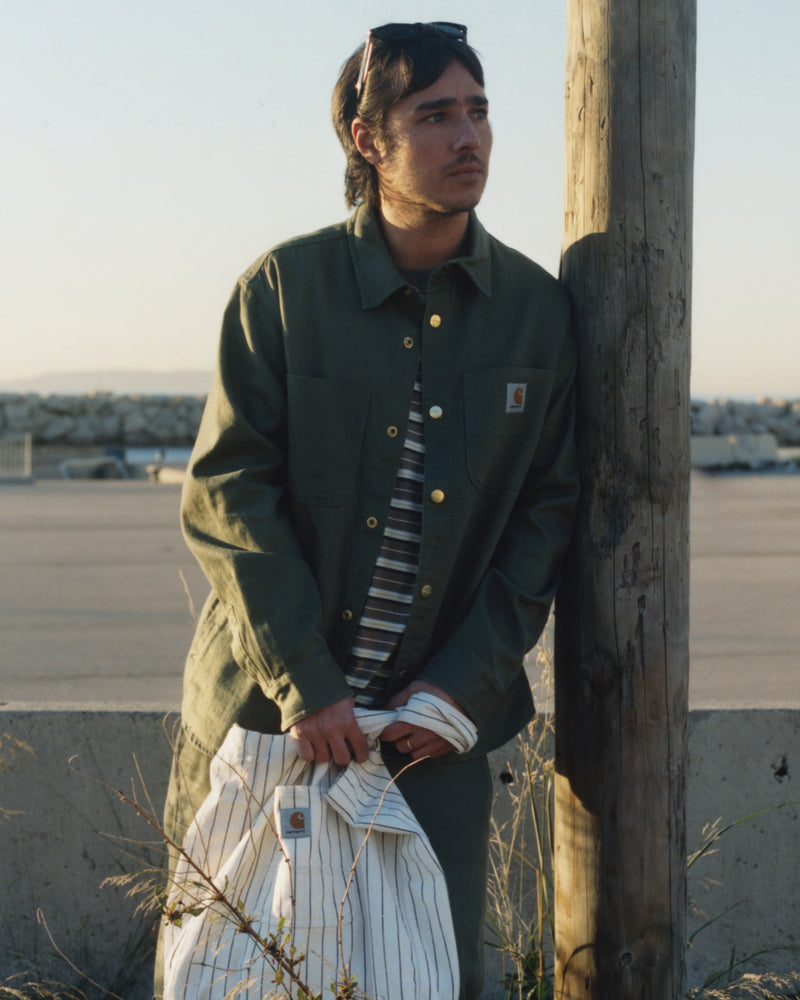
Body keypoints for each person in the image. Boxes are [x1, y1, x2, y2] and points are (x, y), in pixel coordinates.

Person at [160, 21, 578, 1000]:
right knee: (233, 976)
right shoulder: (284, 289)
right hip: (270, 718)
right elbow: (229, 489)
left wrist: (461, 689)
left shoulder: (533, 310)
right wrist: (306, 681)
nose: (466, 136)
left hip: (425, 736)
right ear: (366, 140)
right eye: (433, 115)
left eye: (476, 111)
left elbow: (546, 513)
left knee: (431, 976)